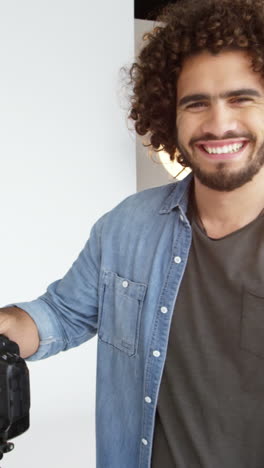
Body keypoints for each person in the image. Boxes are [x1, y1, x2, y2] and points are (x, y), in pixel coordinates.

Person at [1, 0, 264, 466]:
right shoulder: (128, 225)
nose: (219, 123)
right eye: (196, 103)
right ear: (170, 115)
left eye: (242, 99)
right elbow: (61, 315)